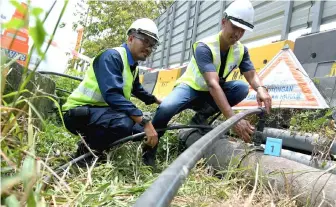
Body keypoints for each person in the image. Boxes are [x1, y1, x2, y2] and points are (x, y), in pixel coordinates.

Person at [144, 0, 272, 166]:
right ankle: (149, 149)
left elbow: (251, 74)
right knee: (166, 108)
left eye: (242, 30)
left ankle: (199, 119)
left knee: (240, 88)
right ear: (223, 22)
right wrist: (233, 120)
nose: (237, 34)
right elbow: (213, 85)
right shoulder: (204, 46)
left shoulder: (241, 50)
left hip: (210, 94)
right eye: (234, 27)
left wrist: (261, 88)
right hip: (190, 89)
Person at [62, 18, 161, 162]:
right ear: (131, 38)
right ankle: (86, 154)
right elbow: (113, 95)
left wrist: (156, 100)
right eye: (145, 41)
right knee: (123, 123)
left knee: (139, 131)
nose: (148, 48)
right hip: (78, 113)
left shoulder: (132, 66)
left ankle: (143, 161)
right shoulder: (112, 56)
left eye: (152, 45)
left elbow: (137, 89)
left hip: (102, 114)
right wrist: (145, 121)